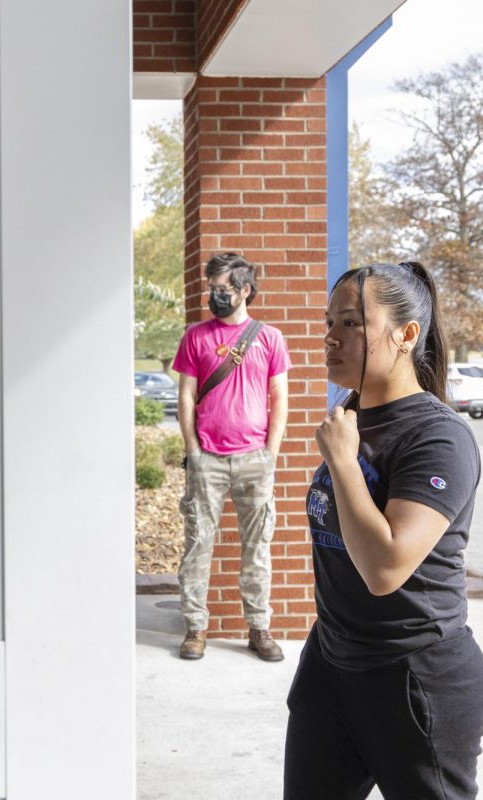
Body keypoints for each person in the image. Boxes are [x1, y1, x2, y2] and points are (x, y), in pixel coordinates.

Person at [283, 262, 483, 799]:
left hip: (415, 677)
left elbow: (385, 568)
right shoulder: (350, 419)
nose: (331, 337)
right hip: (331, 664)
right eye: (329, 322)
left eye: (351, 323)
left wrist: (345, 463)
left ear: (406, 335)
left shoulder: (439, 437)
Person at [173, 252, 291, 662]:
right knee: (197, 544)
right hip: (207, 460)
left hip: (255, 460)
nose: (214, 295)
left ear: (244, 291)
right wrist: (193, 450)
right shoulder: (195, 337)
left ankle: (259, 629)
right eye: (211, 288)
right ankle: (195, 628)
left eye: (222, 288)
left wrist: (270, 454)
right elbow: (186, 395)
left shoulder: (269, 338)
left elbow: (280, 397)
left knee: (257, 548)